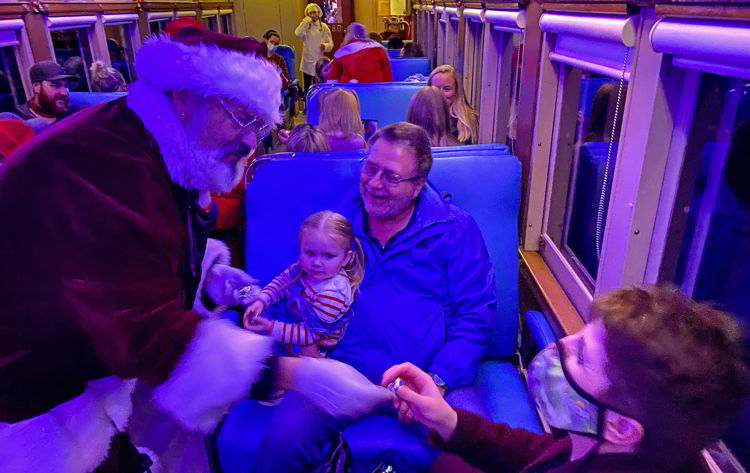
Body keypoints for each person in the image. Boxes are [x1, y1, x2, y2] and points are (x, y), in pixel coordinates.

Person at [0, 25, 393, 472]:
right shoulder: (103, 167)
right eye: (241, 116)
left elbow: (154, 251)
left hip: (86, 374)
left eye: (259, 124)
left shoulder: (165, 150)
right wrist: (289, 374)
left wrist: (210, 280)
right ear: (185, 97)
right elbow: (141, 330)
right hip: (33, 398)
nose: (250, 141)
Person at [255, 122, 496, 473]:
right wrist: (303, 345)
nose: (373, 183)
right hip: (338, 371)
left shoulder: (455, 230)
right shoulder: (337, 222)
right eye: (370, 168)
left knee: (475, 454)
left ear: (418, 186)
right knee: (280, 445)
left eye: (391, 177)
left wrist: (440, 379)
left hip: (426, 375)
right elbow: (299, 282)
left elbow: (476, 314)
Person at [383, 285, 750, 473]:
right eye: (578, 335)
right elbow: (546, 454)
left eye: (582, 356)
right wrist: (447, 420)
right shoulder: (611, 446)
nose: (560, 344)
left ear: (623, 428)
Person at [244, 210, 365, 358]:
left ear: (346, 259)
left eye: (329, 256)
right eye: (309, 253)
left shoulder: (334, 294)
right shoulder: (303, 267)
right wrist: (262, 300)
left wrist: (270, 327)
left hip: (318, 344)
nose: (316, 263)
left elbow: (309, 335)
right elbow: (282, 282)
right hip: (294, 323)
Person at [14, 60, 78, 125]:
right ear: (36, 87)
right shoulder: (20, 122)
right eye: (56, 86)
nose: (64, 92)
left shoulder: (75, 115)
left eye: (66, 86)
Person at [428, 65, 479, 144]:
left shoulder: (470, 119)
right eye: (436, 88)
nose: (440, 93)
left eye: (447, 89)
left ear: (456, 91)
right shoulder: (420, 116)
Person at [327, 22, 392, 84]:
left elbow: (332, 81)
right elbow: (387, 75)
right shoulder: (379, 48)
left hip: (350, 91)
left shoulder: (341, 53)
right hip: (377, 90)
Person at [294, 3, 333, 93]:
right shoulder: (305, 27)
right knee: (308, 87)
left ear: (319, 13)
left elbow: (330, 44)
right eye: (310, 13)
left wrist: (325, 46)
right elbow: (297, 33)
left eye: (315, 12)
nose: (313, 15)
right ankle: (307, 105)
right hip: (307, 61)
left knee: (321, 85)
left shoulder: (324, 27)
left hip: (320, 61)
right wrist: (305, 21)